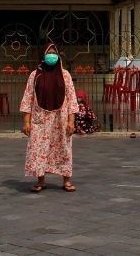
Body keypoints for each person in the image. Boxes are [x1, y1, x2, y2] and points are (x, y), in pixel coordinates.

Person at [20, 42, 80, 192]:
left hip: (61, 118)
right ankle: (40, 181)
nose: (51, 56)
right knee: (39, 148)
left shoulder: (65, 75)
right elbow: (28, 98)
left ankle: (66, 180)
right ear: (42, 56)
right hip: (40, 119)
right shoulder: (35, 75)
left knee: (63, 148)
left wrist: (71, 120)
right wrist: (26, 121)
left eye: (54, 53)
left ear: (58, 55)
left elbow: (71, 98)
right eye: (48, 53)